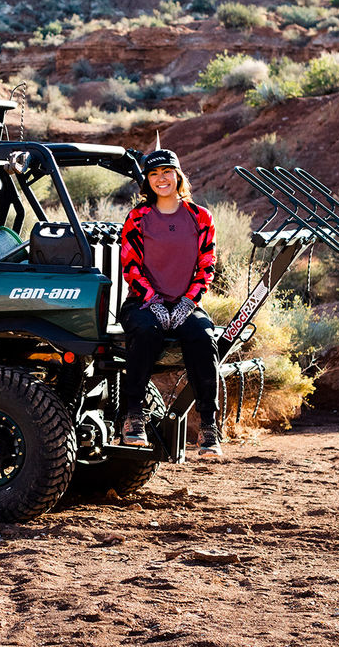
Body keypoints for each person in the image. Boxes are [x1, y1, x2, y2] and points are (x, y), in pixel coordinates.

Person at [117, 148, 222, 456]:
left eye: (166, 172)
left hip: (186, 303)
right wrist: (154, 301)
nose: (161, 179)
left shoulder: (200, 217)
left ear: (178, 176)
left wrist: (189, 302)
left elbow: (207, 264)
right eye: (153, 174)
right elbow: (130, 266)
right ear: (146, 181)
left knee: (204, 337)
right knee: (147, 332)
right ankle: (133, 416)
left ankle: (208, 427)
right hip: (142, 302)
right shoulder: (138, 218)